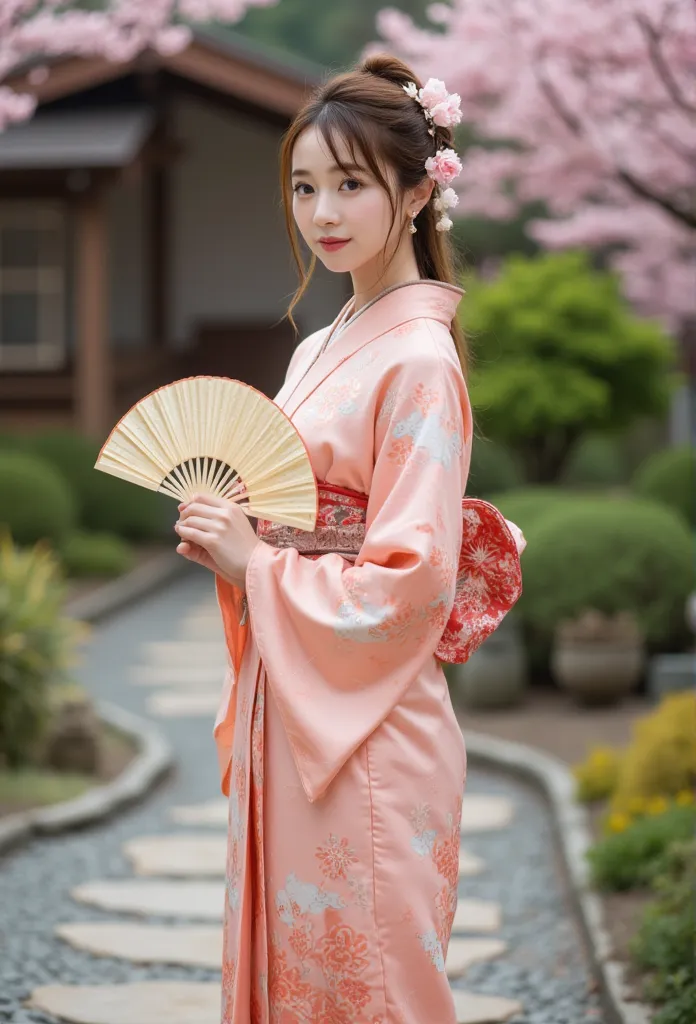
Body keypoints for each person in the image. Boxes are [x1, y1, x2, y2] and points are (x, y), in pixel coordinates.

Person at [174, 53, 524, 1024]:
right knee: (301, 969)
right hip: (300, 695)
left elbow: (414, 574)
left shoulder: (417, 357)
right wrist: (235, 537)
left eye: (352, 184)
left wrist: (262, 565)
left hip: (369, 724)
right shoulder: (320, 343)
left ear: (416, 192)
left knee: (371, 979)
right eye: (304, 185)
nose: (323, 211)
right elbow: (297, 515)